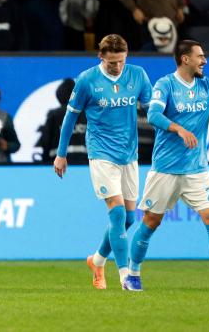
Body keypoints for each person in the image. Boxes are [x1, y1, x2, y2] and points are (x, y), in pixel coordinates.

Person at [124, 40, 209, 292]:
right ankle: (132, 274)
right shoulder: (166, 85)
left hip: (197, 170)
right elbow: (153, 115)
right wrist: (178, 128)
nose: (205, 61)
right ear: (185, 59)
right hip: (165, 169)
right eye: (200, 56)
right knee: (150, 221)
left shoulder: (208, 86)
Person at [53, 34, 152, 290]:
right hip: (100, 153)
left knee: (129, 219)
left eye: (120, 61)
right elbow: (69, 118)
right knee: (117, 213)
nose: (117, 67)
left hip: (129, 155)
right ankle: (126, 277)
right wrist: (61, 154)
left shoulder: (138, 75)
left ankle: (97, 260)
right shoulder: (87, 80)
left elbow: (153, 112)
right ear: (101, 57)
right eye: (111, 63)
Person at [36, 78, 87, 163]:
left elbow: (46, 141)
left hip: (58, 165)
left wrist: (44, 162)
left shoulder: (54, 115)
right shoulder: (88, 115)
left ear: (59, 95)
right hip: (86, 165)